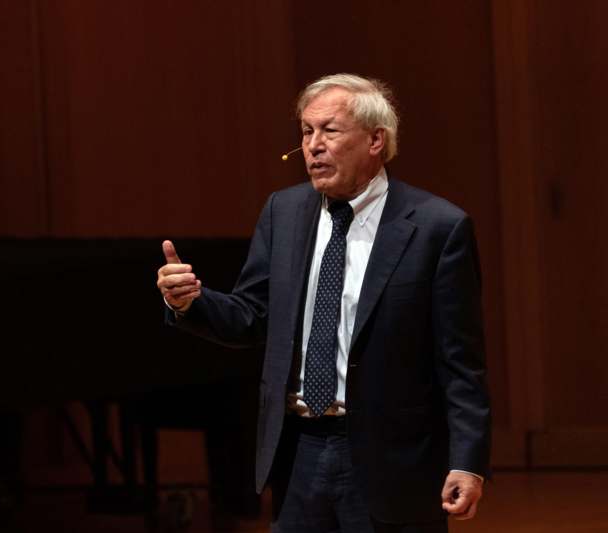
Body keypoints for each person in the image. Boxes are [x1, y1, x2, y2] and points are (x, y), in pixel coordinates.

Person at [156, 73, 490, 533]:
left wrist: (467, 461)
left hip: (390, 458)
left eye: (329, 131)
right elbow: (253, 317)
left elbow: (461, 363)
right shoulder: (284, 212)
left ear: (376, 140)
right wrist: (190, 302)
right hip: (298, 452)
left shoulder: (437, 228)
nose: (312, 146)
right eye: (306, 131)